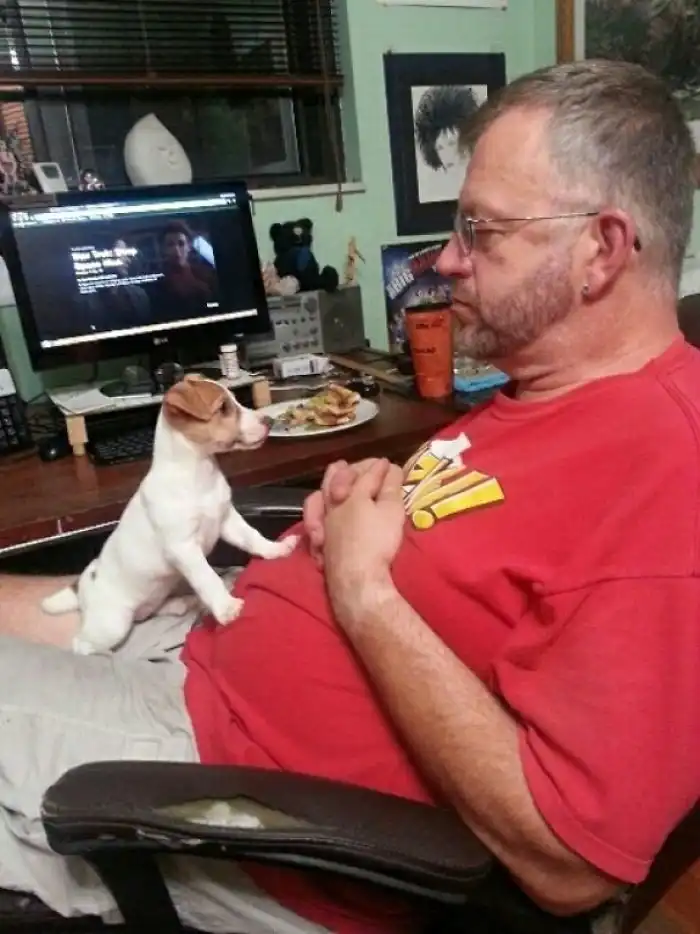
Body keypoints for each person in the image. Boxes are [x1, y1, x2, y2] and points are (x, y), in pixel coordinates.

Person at [0, 57, 699, 934]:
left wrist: (364, 590)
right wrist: (356, 510)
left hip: (213, 770)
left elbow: (571, 866)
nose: (446, 260)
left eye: (481, 231)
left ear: (601, 249)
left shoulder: (666, 474)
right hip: (204, 640)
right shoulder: (540, 396)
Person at [152, 220, 217, 321]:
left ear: (189, 246)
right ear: (163, 249)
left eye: (181, 244)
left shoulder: (206, 274)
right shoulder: (158, 283)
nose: (176, 250)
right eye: (170, 245)